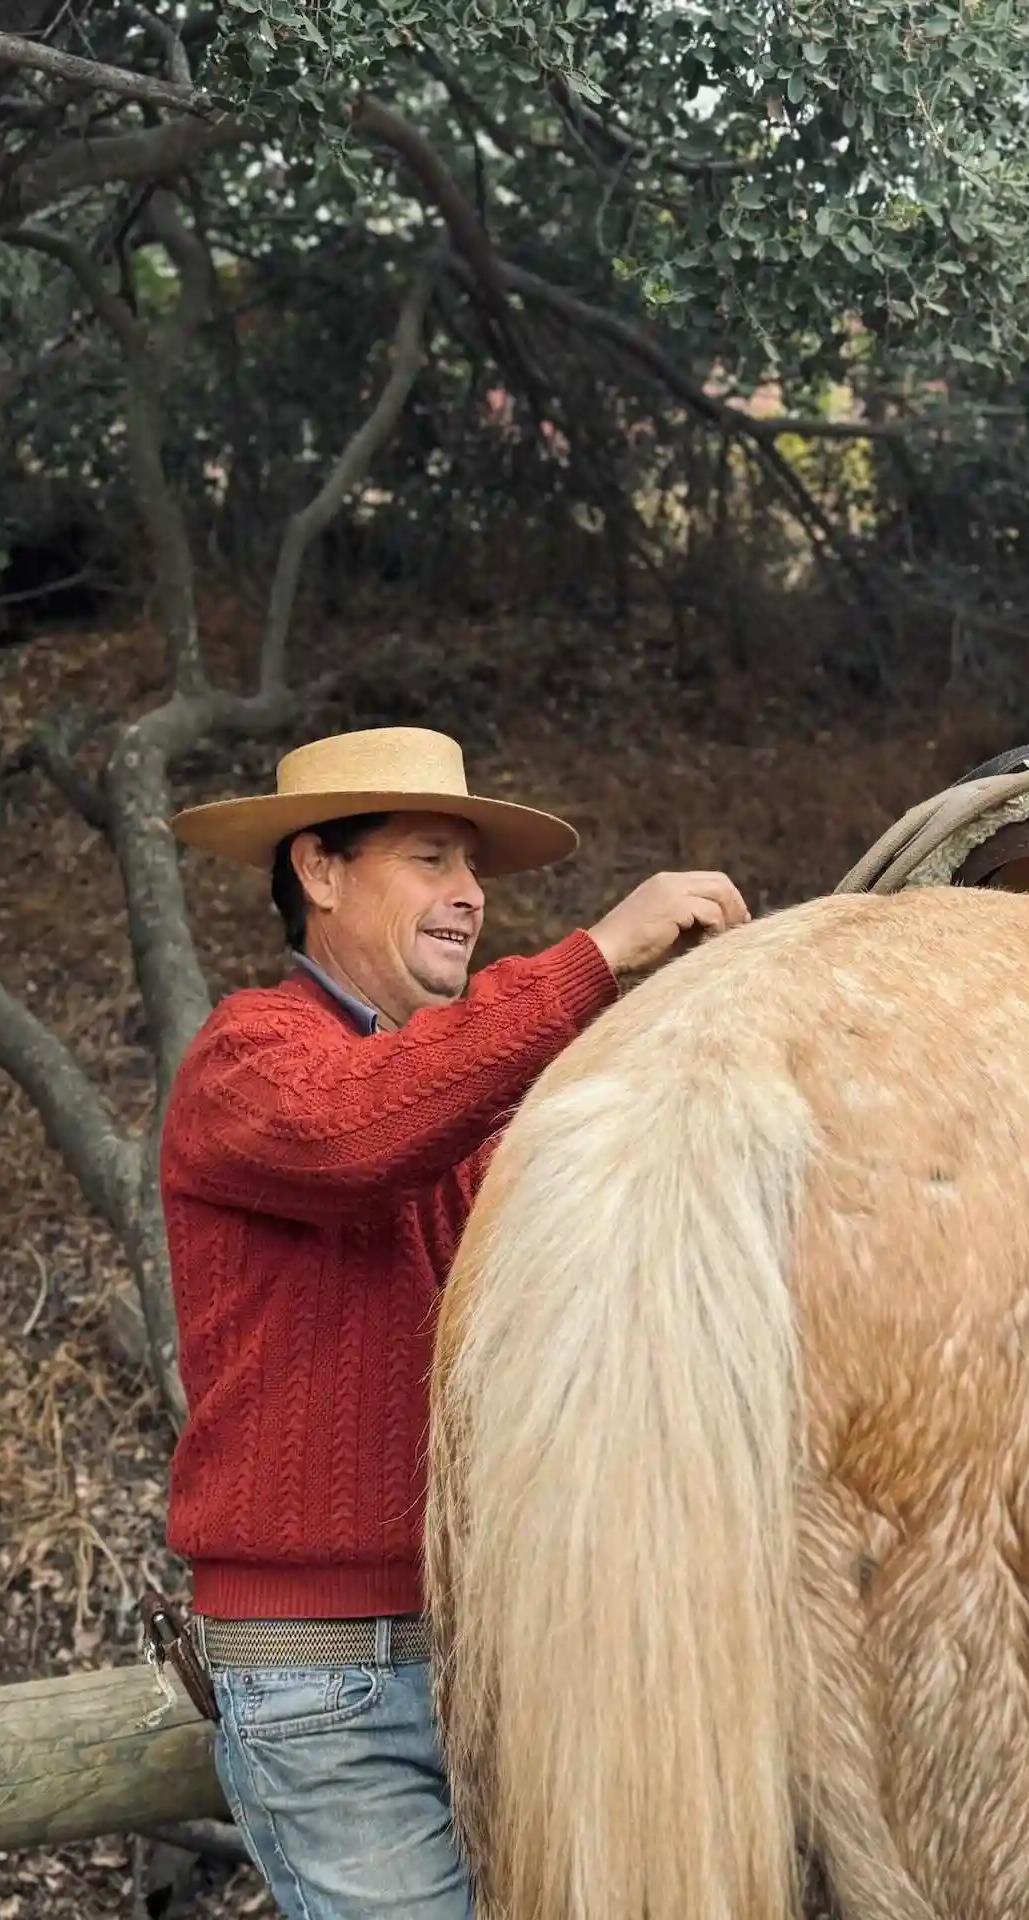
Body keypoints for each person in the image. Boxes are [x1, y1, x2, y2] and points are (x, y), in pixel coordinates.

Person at [158, 725, 749, 1920]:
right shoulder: (249, 1055)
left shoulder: (461, 1102)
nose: (471, 898)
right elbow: (357, 1132)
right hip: (320, 1683)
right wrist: (598, 955)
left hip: (487, 1656)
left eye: (473, 872)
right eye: (432, 859)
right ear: (319, 871)